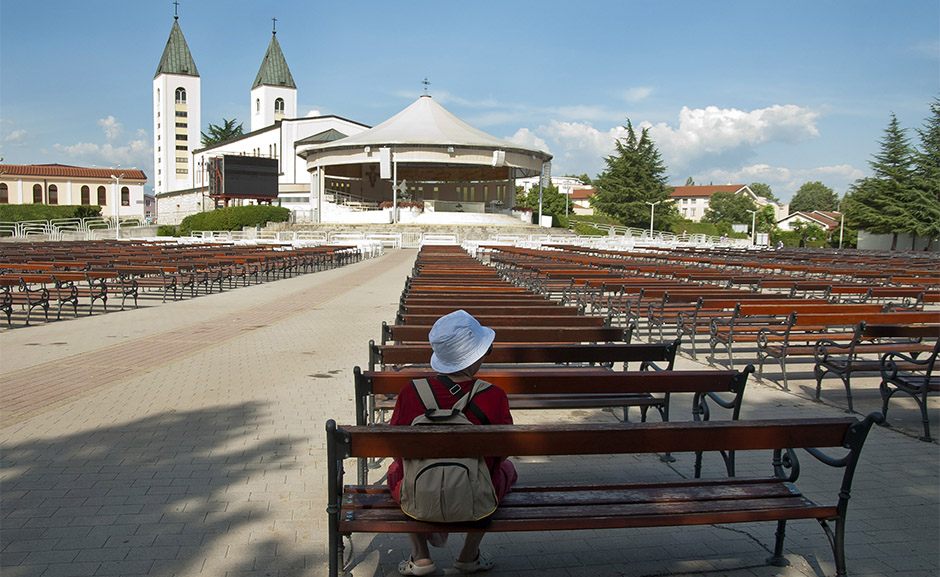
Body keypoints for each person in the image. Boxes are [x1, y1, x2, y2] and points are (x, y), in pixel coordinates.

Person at [386, 309, 517, 575]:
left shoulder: (410, 392)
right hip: (475, 495)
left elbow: (396, 448)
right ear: (475, 356)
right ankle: (468, 555)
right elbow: (503, 453)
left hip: (421, 491)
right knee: (505, 470)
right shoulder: (495, 396)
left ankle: (420, 556)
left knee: (397, 471)